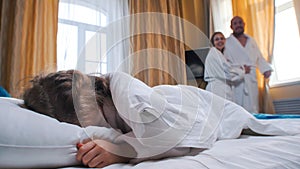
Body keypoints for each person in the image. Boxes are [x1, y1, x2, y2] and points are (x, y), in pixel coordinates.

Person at [22, 69, 297, 168]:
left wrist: (119, 153)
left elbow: (173, 133)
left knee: (252, 120)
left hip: (207, 109)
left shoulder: (121, 87)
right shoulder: (95, 112)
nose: (102, 130)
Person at [224, 16, 272, 113]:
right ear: (231, 27)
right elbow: (225, 63)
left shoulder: (251, 40)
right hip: (237, 79)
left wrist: (265, 69)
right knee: (239, 106)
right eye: (235, 23)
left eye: (240, 22)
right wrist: (241, 70)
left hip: (251, 77)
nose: (238, 25)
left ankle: (253, 126)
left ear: (244, 24)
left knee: (253, 105)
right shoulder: (227, 42)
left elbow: (259, 57)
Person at [204, 32, 246, 101]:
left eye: (222, 38)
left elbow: (226, 67)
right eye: (217, 39)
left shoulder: (219, 54)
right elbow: (228, 72)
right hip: (218, 89)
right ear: (213, 43)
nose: (220, 41)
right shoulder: (214, 52)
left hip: (221, 88)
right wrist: (242, 71)